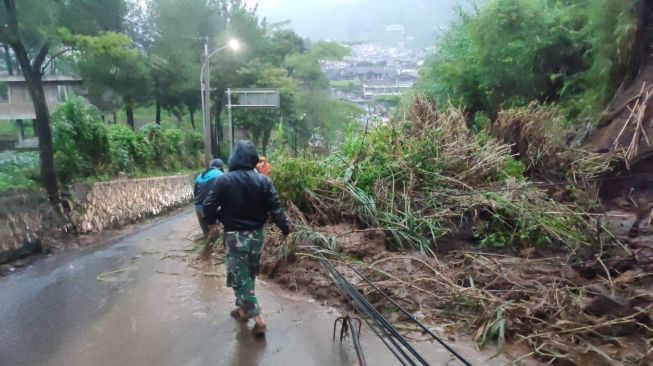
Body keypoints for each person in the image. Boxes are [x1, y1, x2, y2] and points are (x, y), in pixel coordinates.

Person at [203, 141, 291, 336]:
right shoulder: (264, 181)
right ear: (253, 159)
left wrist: (212, 224)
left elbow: (208, 205)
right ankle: (243, 310)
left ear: (233, 158)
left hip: (235, 236)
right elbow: (276, 209)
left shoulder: (224, 180)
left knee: (240, 277)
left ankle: (258, 318)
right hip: (257, 236)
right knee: (248, 275)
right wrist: (286, 229)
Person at [193, 159, 224, 235]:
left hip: (198, 208)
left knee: (206, 234)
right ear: (221, 167)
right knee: (216, 234)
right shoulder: (220, 175)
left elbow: (195, 194)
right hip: (212, 208)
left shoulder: (199, 176)